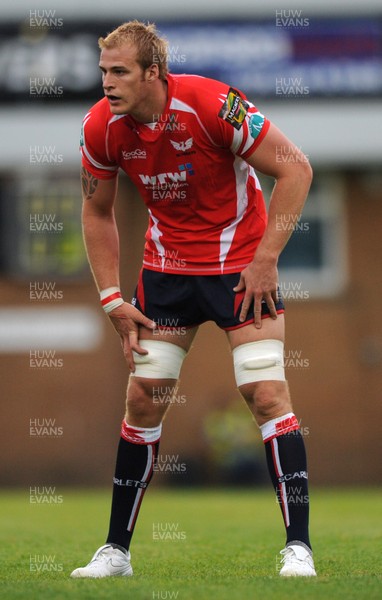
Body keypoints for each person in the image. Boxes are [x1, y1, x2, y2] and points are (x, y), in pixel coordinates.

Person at [71, 20, 316, 579]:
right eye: (103, 71)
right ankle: (115, 553)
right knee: (142, 401)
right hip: (167, 273)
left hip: (241, 268)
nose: (107, 83)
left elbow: (296, 168)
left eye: (120, 72)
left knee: (265, 389)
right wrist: (111, 297)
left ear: (153, 72)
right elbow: (96, 211)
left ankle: (298, 548)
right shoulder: (99, 128)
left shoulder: (212, 103)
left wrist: (267, 259)